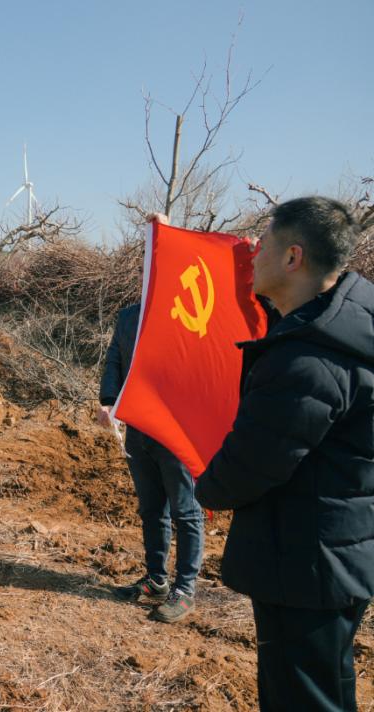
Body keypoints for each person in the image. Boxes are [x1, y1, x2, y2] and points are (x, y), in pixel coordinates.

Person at [194, 197, 373, 711]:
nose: (253, 251)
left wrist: (205, 487)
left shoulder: (308, 360)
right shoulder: (343, 325)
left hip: (304, 561)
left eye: (264, 242)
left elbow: (254, 464)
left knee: (300, 698)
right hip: (336, 549)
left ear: (293, 257)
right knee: (326, 687)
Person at [99, 297, 205, 622]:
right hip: (138, 427)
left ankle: (184, 590)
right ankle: (157, 580)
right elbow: (115, 359)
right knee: (151, 509)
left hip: (177, 429)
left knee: (186, 511)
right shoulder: (128, 316)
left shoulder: (188, 312)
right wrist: (108, 400)